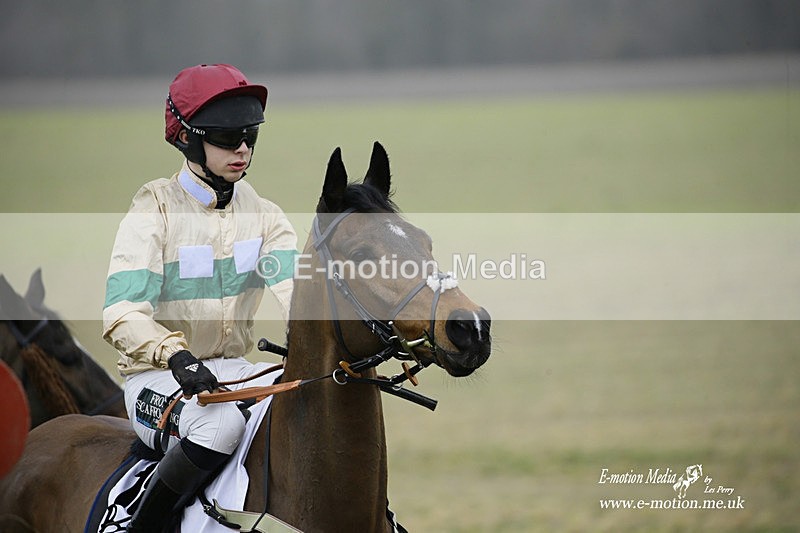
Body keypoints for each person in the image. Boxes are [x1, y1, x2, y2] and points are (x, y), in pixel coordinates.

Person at [102, 64, 297, 532]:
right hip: (158, 380)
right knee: (221, 427)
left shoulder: (267, 217)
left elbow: (299, 294)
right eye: (229, 138)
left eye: (249, 136)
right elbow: (121, 313)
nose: (243, 149)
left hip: (235, 371)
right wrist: (177, 356)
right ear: (189, 138)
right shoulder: (154, 210)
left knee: (309, 409)